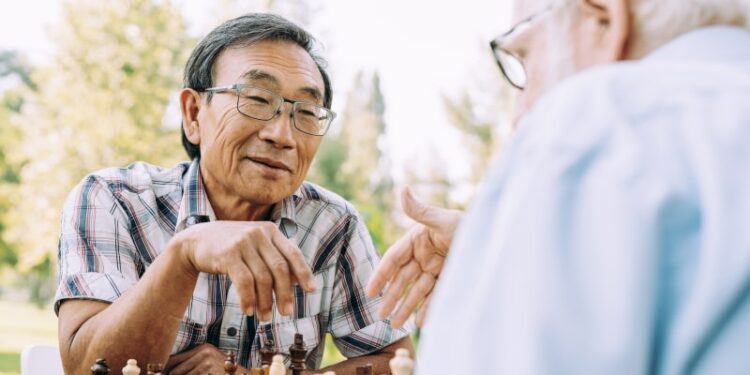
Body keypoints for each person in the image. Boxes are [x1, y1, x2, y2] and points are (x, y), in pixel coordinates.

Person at [367, 0, 750, 373]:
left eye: (525, 59)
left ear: (604, 18)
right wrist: (495, 247)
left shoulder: (601, 115)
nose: (519, 114)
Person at [55, 13, 412, 374]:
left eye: (306, 112)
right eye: (257, 99)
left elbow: (396, 362)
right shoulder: (113, 199)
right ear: (193, 114)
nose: (283, 136)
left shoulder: (334, 225)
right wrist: (184, 254)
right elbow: (85, 368)